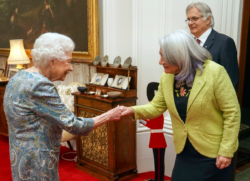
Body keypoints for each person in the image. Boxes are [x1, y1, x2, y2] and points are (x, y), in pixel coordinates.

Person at [121, 30, 240, 181]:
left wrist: (226, 151)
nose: (160, 61)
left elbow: (232, 113)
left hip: (213, 153)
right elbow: (156, 107)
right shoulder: (168, 77)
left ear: (180, 55)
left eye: (165, 56)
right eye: (160, 55)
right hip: (185, 151)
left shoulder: (215, 72)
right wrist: (130, 110)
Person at [3, 32, 123, 181]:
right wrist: (109, 115)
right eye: (68, 62)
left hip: (20, 161)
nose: (71, 68)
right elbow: (74, 125)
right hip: (38, 167)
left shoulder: (18, 77)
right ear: (52, 61)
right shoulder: (40, 85)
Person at [185, 2, 239, 92]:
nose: (190, 23)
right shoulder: (190, 43)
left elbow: (231, 80)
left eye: (194, 18)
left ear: (208, 19)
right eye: (188, 19)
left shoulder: (224, 42)